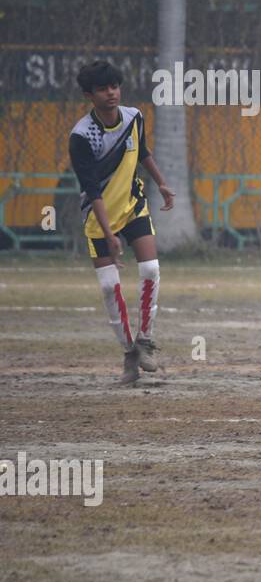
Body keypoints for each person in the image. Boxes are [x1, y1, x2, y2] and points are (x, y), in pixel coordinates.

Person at [69, 60, 175, 384]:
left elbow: (142, 151)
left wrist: (161, 182)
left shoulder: (134, 117)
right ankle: (128, 352)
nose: (111, 93)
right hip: (98, 218)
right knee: (107, 286)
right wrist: (108, 233)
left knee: (151, 269)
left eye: (114, 86)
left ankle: (145, 341)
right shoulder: (81, 136)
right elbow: (92, 190)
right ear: (90, 95)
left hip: (133, 207)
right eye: (103, 89)